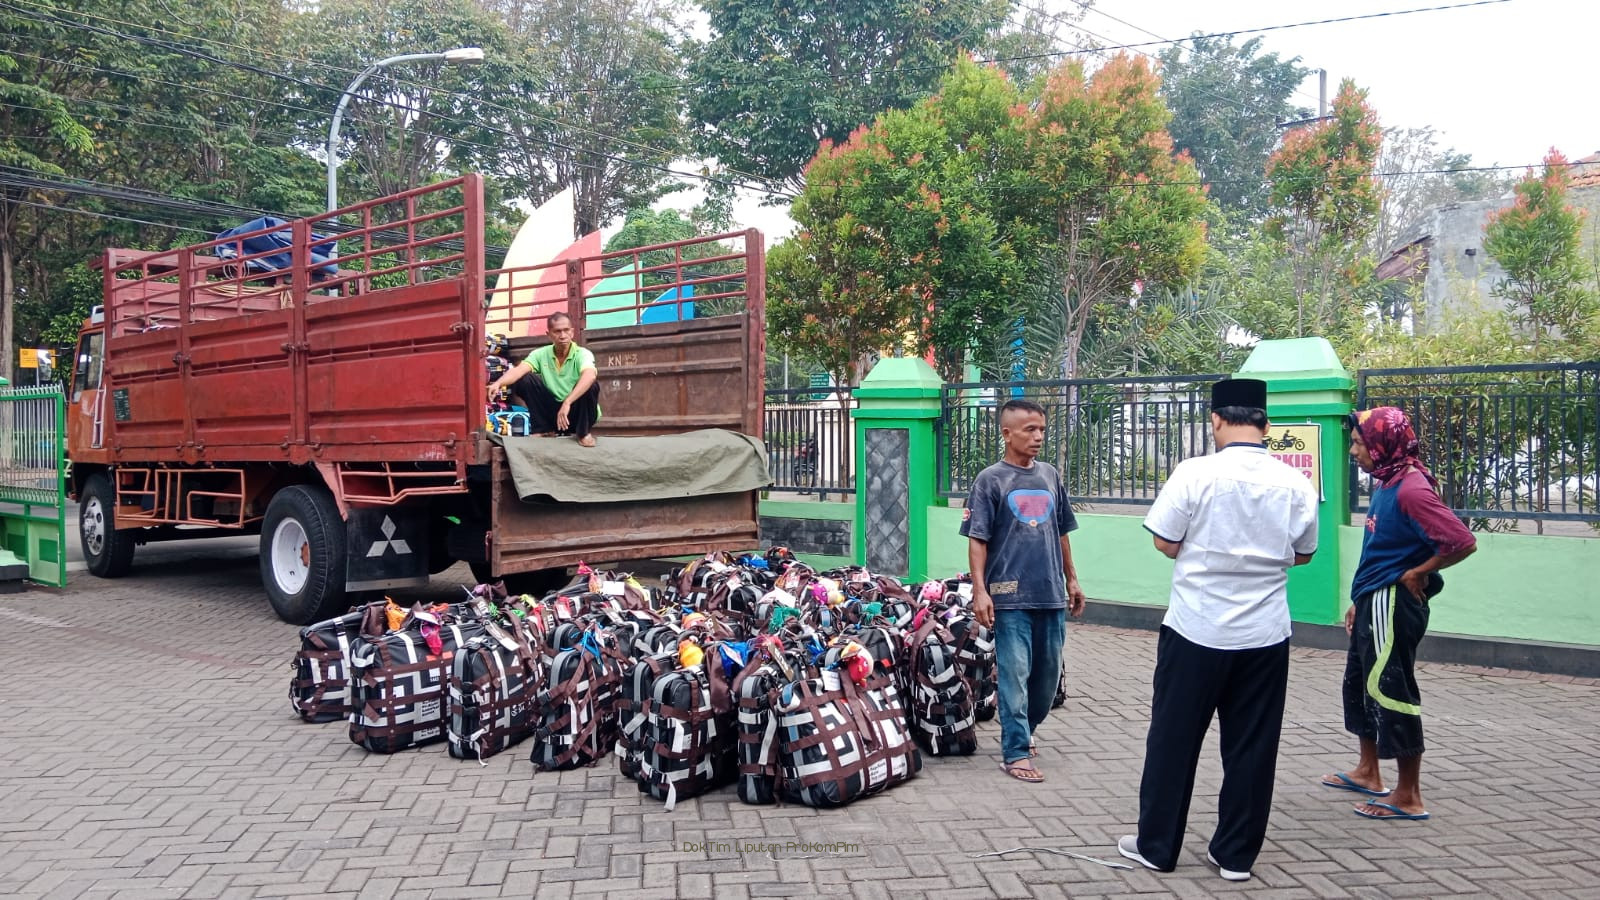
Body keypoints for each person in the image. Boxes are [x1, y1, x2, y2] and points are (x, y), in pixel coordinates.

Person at [1118, 377, 1318, 882]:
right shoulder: (1294, 482)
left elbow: (1165, 542)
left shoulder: (1195, 473)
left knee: (1174, 740)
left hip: (1196, 628)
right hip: (1264, 635)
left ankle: (1157, 847)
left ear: (1216, 420)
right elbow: (1303, 554)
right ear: (1266, 424)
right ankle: (1235, 857)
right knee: (1252, 745)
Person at [1321, 407, 1475, 821]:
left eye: (1359, 443)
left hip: (1392, 604)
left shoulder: (1411, 489)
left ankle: (1408, 795)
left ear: (1382, 444)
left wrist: (1418, 572)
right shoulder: (1387, 482)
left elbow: (1461, 541)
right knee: (1360, 685)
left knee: (1391, 690)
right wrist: (1359, 599)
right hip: (1373, 600)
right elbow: (1381, 550)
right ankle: (1368, 772)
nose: (1353, 451)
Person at [959, 398, 1085, 784]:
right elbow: (977, 539)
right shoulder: (990, 480)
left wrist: (1072, 578)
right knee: (1014, 675)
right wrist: (980, 591)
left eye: (1042, 429)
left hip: (1050, 593)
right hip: (1009, 596)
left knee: (1046, 681)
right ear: (1007, 433)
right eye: (1030, 429)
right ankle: (1014, 751)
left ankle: (1025, 728)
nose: (1038, 437)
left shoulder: (1049, 475)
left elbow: (1061, 531)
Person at [487, 312, 601, 447]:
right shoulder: (540, 354)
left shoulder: (582, 354)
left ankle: (583, 433)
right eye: (557, 331)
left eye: (566, 330)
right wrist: (498, 383)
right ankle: (544, 429)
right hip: (553, 414)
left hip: (577, 413)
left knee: (591, 385)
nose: (562, 335)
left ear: (572, 332)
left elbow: (590, 375)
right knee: (524, 379)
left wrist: (568, 402)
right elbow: (518, 370)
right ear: (549, 334)